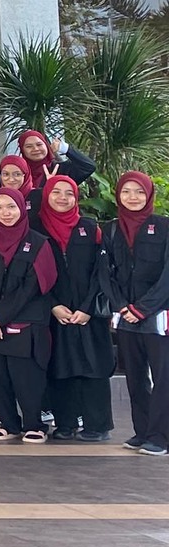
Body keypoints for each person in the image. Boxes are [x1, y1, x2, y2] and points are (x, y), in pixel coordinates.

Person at [0, 186, 58, 443]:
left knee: (26, 378)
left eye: (11, 207)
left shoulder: (38, 243)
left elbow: (34, 286)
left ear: (22, 208)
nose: (6, 213)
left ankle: (34, 424)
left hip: (25, 323)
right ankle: (8, 423)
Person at [42, 173, 115, 441]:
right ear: (47, 195)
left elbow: (102, 272)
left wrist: (87, 308)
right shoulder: (37, 231)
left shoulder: (90, 227)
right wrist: (53, 306)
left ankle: (98, 425)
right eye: (56, 192)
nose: (63, 198)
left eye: (69, 193)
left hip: (89, 312)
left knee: (93, 367)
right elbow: (33, 275)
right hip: (55, 313)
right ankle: (65, 423)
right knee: (59, 367)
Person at [106, 171, 169, 453]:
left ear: (149, 195)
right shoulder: (110, 229)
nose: (133, 197)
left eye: (139, 192)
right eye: (127, 191)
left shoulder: (164, 226)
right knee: (135, 377)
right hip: (126, 316)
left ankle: (161, 437)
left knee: (163, 377)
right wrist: (121, 305)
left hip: (157, 315)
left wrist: (142, 308)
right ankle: (142, 432)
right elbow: (104, 273)